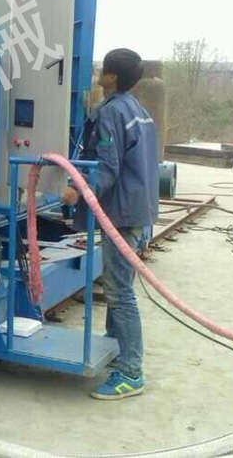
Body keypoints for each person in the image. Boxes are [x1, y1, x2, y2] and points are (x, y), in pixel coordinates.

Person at [62, 48, 159, 400]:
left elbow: (106, 167)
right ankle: (117, 350)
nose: (98, 73)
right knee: (121, 289)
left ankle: (131, 372)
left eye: (102, 69)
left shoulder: (111, 112)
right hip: (138, 210)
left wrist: (77, 190)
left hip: (121, 213)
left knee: (120, 294)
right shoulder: (139, 110)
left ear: (112, 77)